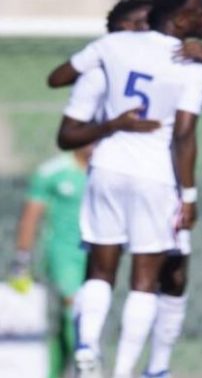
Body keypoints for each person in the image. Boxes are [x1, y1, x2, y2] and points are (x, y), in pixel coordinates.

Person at [47, 0, 202, 378]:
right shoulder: (191, 65)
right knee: (144, 279)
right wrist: (188, 195)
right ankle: (124, 371)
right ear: (177, 17)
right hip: (155, 174)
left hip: (106, 167)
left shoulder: (114, 46)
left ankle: (88, 348)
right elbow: (184, 134)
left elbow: (60, 76)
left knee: (100, 270)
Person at [8, 145, 92, 378]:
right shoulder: (52, 172)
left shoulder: (106, 171)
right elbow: (31, 216)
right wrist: (22, 258)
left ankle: (55, 372)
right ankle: (86, 370)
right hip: (62, 254)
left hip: (96, 255)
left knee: (85, 316)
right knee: (72, 309)